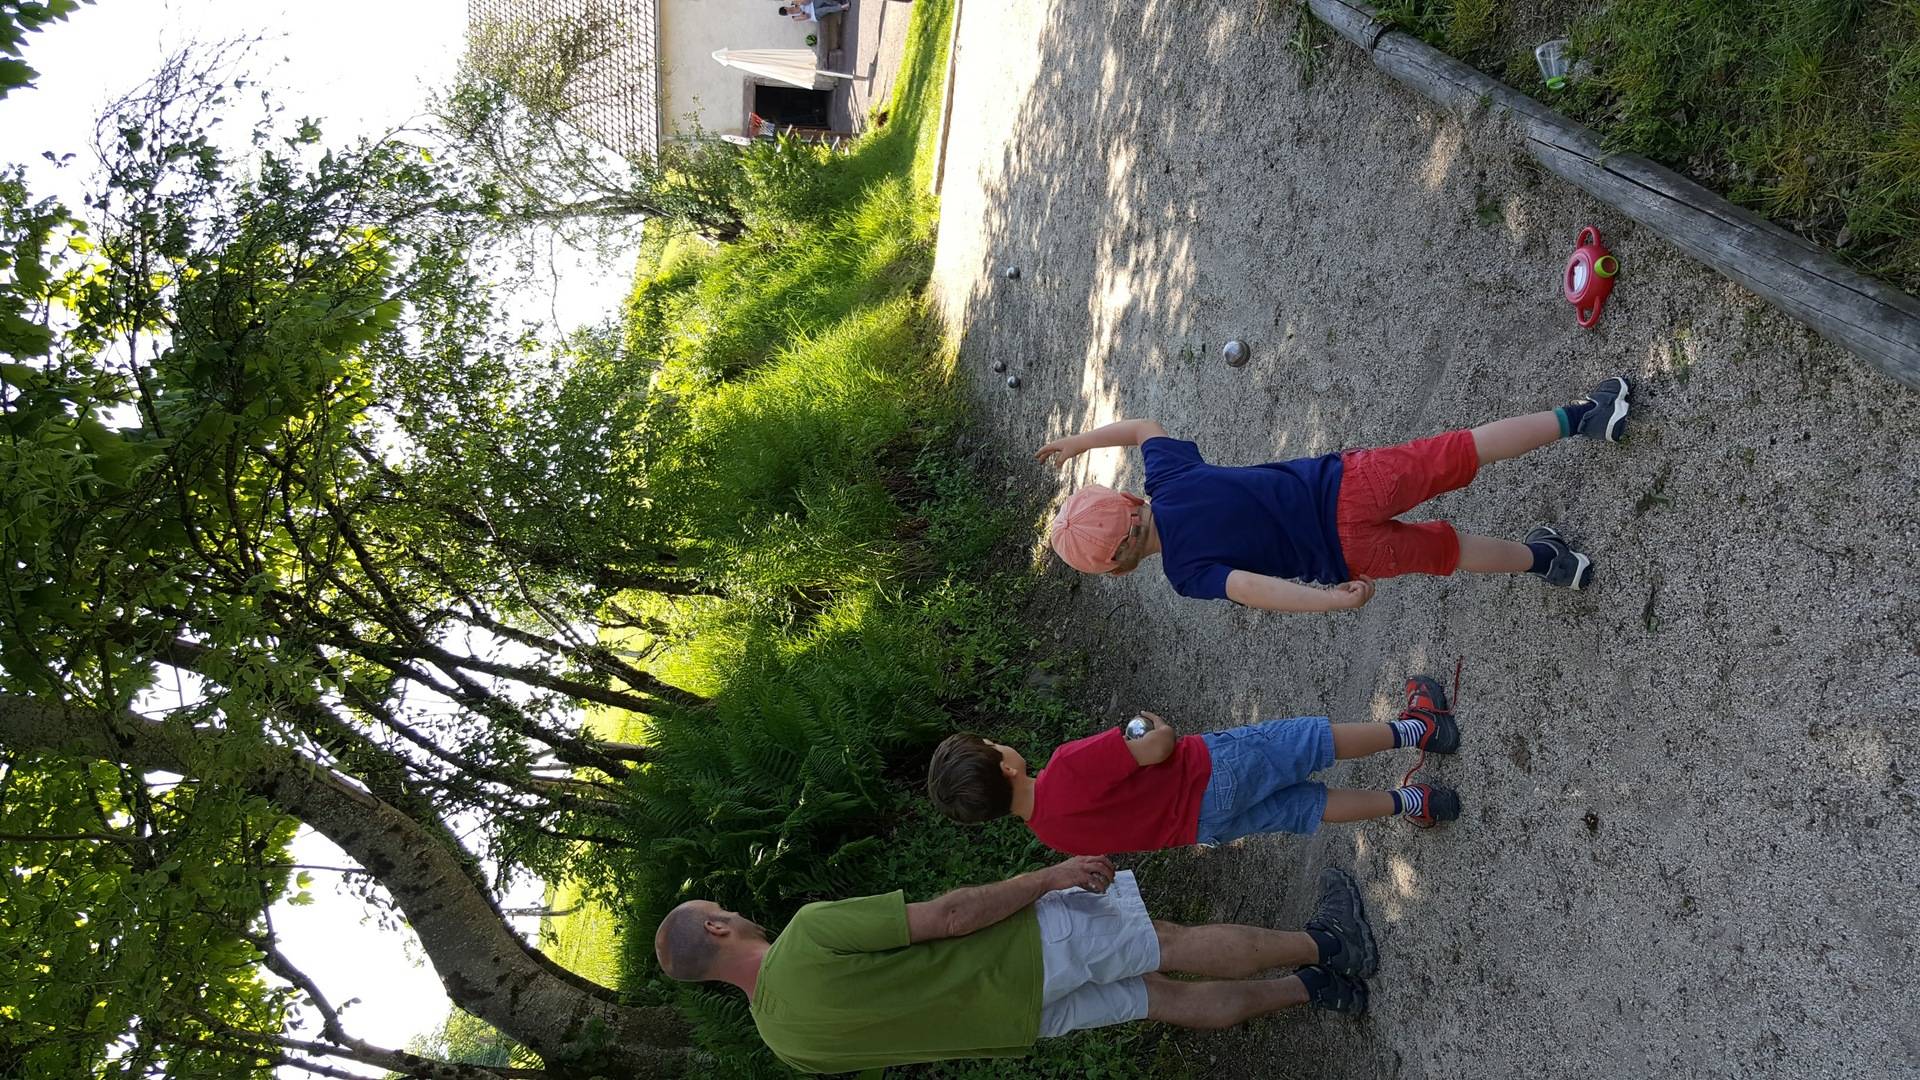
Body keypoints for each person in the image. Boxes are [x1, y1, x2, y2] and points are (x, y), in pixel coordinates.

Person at [654, 860, 1376, 1074]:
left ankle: (1314, 990)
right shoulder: (807, 936)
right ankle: (1330, 945)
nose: (738, 914)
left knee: (1156, 997)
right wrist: (1044, 878)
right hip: (1023, 953)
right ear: (718, 928)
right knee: (1167, 942)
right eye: (725, 911)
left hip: (1018, 1023)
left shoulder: (786, 1045)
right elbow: (948, 918)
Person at [1038, 378, 1632, 610]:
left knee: (1447, 551)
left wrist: (1329, 601)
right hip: (1348, 487)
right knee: (1464, 449)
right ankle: (1585, 416)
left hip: (1347, 557)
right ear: (1130, 501)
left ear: (1118, 569)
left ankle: (1551, 562)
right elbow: (1143, 428)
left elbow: (1251, 588)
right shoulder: (1169, 479)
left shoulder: (1186, 575)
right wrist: (1082, 440)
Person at [927, 674, 1463, 851]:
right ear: (1007, 768)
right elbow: (1155, 748)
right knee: (1310, 742)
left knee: (1307, 807)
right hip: (1210, 771)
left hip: (1206, 826)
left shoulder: (1051, 836)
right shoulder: (1065, 766)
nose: (1002, 745)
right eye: (995, 746)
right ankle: (1420, 728)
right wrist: (1151, 724)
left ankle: (1414, 801)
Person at [778, 0, 848, 20]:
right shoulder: (794, 17)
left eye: (787, 11)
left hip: (812, 5)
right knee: (825, 9)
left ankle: (839, 3)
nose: (789, 12)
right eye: (787, 13)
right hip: (814, 14)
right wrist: (803, 15)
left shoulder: (794, 2)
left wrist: (802, 2)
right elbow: (808, 16)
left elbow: (808, 1)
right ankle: (843, 7)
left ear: (785, 7)